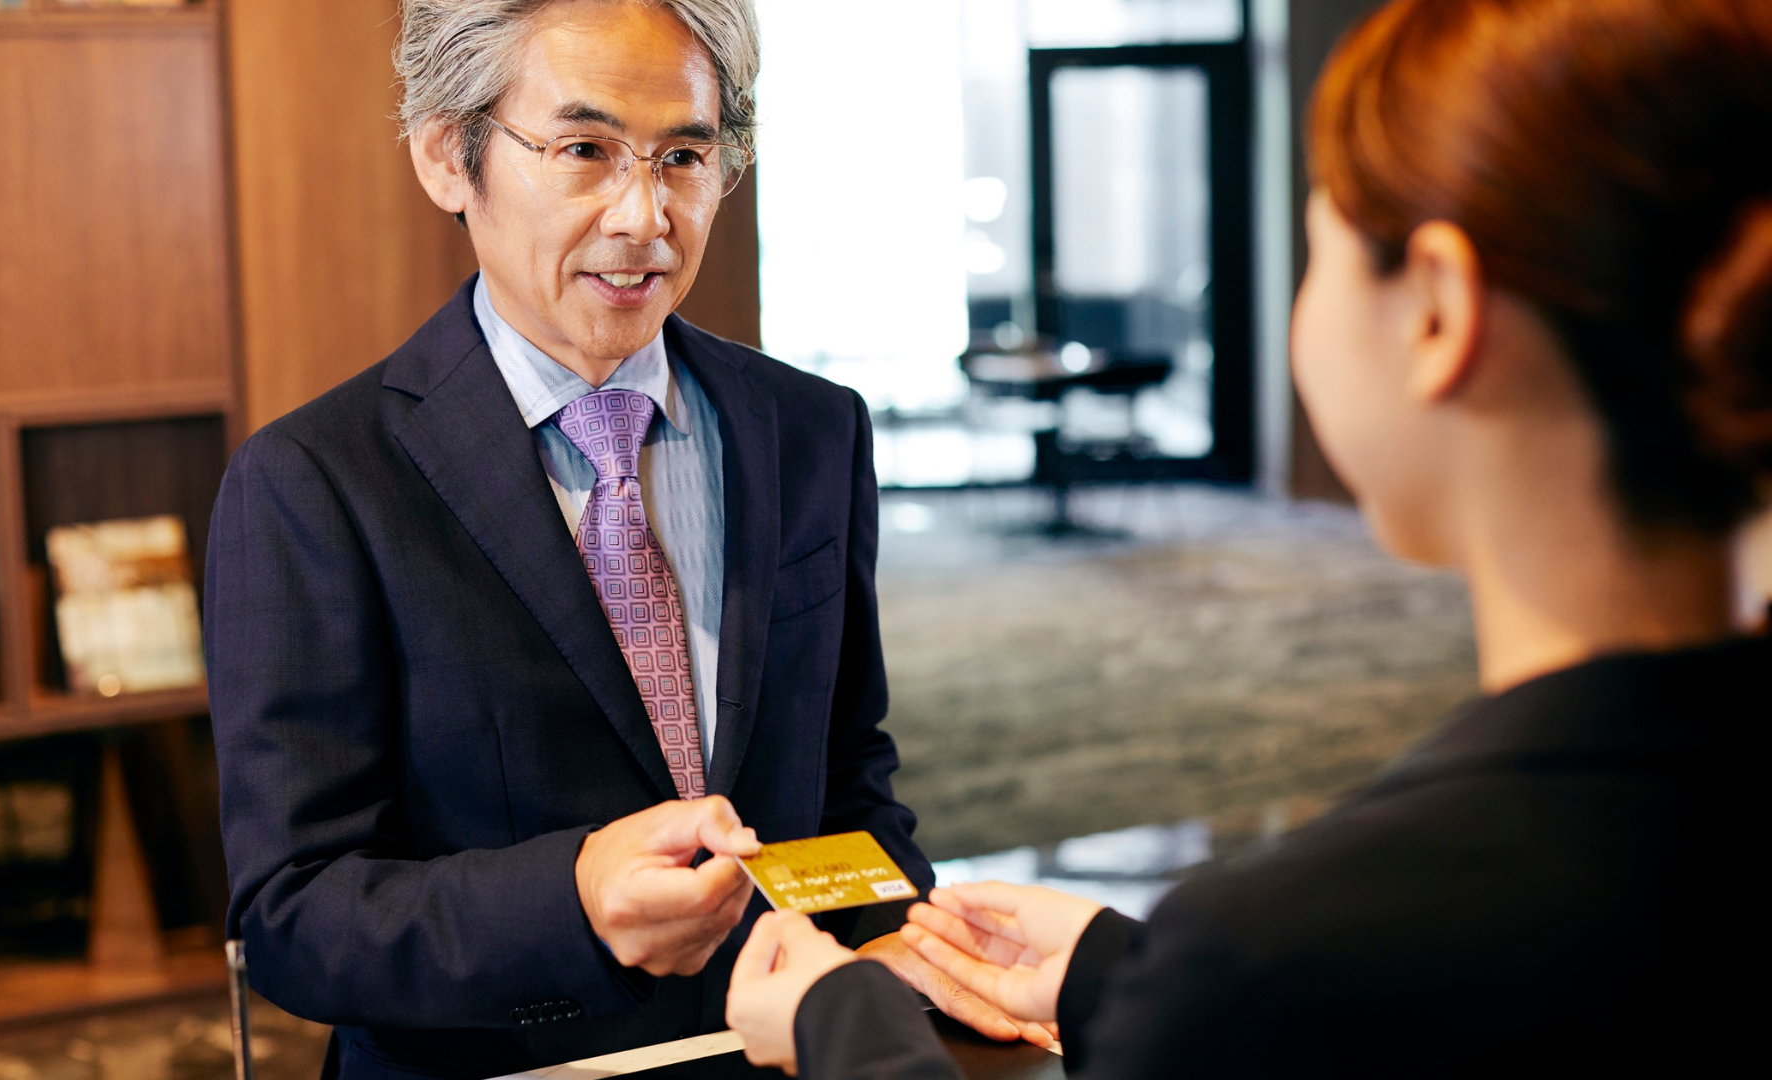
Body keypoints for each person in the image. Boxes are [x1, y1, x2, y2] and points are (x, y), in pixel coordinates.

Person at [724, 0, 1772, 1074]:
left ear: (1437, 316)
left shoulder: (1282, 956)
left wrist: (841, 1024)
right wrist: (1120, 977)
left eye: (1316, 248)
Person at [204, 2, 1041, 1078]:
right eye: (585, 150)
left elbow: (848, 788)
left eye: (684, 155)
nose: (645, 215)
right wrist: (574, 902)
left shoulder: (811, 431)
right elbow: (294, 913)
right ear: (446, 157)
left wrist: (905, 948)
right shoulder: (313, 484)